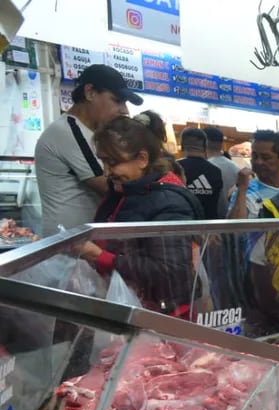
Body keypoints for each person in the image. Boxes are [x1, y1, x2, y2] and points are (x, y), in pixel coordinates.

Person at [78, 111, 202, 318]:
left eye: (113, 162)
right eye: (103, 162)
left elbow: (171, 271)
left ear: (142, 159)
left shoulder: (169, 202)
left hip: (163, 314)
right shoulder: (121, 192)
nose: (107, 172)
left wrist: (100, 257)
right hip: (131, 304)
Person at [34, 64, 141, 237]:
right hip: (67, 254)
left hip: (86, 249)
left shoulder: (93, 134)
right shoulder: (68, 130)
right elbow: (110, 187)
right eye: (117, 100)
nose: (124, 110)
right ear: (90, 92)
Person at [229, 130, 279, 333]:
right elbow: (234, 230)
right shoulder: (245, 191)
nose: (258, 162)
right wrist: (242, 190)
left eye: (266, 157)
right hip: (254, 281)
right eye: (254, 156)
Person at [177, 128, 225, 219]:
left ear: (182, 146)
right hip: (208, 228)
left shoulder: (174, 168)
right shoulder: (216, 171)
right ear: (205, 147)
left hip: (182, 226)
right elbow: (221, 208)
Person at [203, 126, 240, 204]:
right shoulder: (235, 167)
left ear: (203, 142)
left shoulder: (203, 167)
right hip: (230, 213)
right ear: (222, 143)